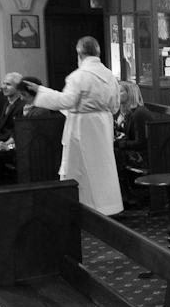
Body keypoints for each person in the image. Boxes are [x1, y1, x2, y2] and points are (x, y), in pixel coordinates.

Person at [26, 37, 122, 215]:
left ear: (79, 54)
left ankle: (80, 207)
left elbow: (66, 101)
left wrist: (39, 90)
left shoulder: (78, 76)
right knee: (102, 167)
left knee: (79, 168)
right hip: (103, 124)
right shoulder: (110, 75)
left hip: (83, 127)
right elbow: (115, 105)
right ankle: (107, 207)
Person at [0, 76, 50, 192]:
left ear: (34, 94)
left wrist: (9, 146)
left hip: (26, 151)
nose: (21, 98)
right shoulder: (26, 107)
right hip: (16, 146)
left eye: (24, 95)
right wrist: (6, 143)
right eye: (21, 94)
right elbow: (16, 132)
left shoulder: (40, 111)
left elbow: (29, 138)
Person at [113, 80, 153, 204]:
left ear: (129, 94)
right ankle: (122, 195)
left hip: (146, 155)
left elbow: (141, 143)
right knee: (114, 151)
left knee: (116, 153)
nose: (116, 94)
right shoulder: (130, 112)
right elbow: (129, 136)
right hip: (138, 151)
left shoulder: (139, 113)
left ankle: (126, 196)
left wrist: (118, 143)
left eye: (120, 91)